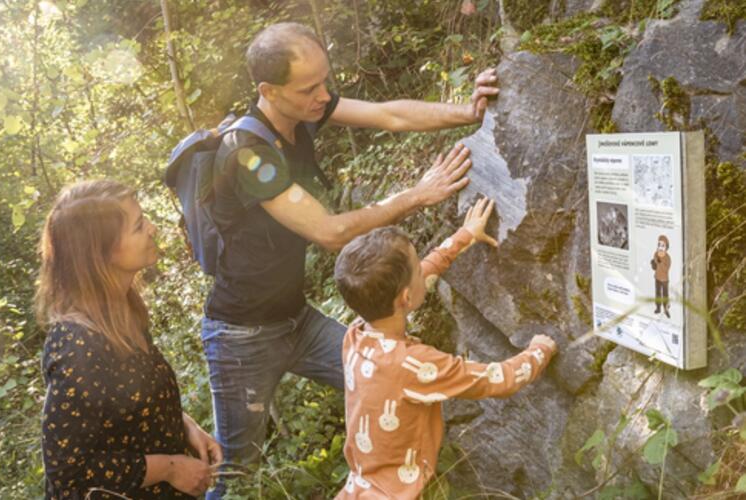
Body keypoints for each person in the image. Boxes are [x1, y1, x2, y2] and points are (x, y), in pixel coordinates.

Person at [202, 21, 499, 495]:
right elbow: (330, 231)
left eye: (325, 81)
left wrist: (467, 111)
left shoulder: (303, 112)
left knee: (387, 375)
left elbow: (388, 115)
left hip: (297, 320)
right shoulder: (246, 152)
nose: (323, 96)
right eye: (308, 88)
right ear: (269, 91)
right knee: (237, 470)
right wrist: (416, 195)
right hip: (242, 338)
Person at [332, 197, 557, 498]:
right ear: (405, 299)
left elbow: (416, 280)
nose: (421, 269)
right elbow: (499, 379)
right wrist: (541, 349)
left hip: (360, 487)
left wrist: (464, 236)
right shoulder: (415, 366)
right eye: (416, 267)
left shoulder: (357, 334)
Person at [37, 180, 222, 499]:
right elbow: (68, 473)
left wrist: (186, 427)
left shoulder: (123, 309)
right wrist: (171, 468)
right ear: (101, 254)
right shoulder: (76, 345)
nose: (152, 228)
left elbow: (132, 405)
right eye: (138, 226)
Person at [651, 234, 671, 318]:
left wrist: (660, 262)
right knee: (658, 293)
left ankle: (666, 309)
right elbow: (655, 268)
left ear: (666, 247)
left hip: (664, 279)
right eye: (659, 244)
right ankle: (658, 307)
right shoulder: (656, 254)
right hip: (657, 278)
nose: (660, 247)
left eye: (662, 245)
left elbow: (666, 269)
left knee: (665, 294)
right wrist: (653, 264)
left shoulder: (667, 257)